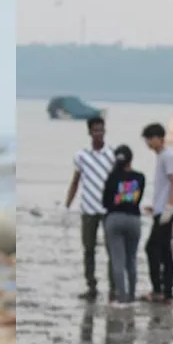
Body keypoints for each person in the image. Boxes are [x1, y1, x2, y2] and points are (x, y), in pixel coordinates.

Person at [64, 116, 117, 301]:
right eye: (95, 130)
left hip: (108, 209)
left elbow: (119, 181)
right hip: (88, 209)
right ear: (89, 132)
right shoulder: (82, 156)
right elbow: (75, 181)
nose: (99, 133)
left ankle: (114, 287)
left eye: (101, 130)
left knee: (112, 249)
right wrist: (67, 205)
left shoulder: (112, 154)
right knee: (88, 249)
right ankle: (91, 285)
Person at [141, 123, 173, 302]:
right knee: (164, 250)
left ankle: (160, 289)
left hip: (167, 211)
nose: (148, 143)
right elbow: (164, 186)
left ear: (160, 138)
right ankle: (166, 291)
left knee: (153, 248)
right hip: (161, 209)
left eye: (151, 138)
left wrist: (169, 207)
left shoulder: (168, 157)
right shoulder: (161, 158)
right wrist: (155, 206)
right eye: (147, 139)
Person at [100, 144, 145, 305]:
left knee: (117, 260)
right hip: (133, 219)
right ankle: (132, 296)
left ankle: (121, 298)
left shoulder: (112, 177)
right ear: (130, 159)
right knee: (131, 259)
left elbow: (104, 202)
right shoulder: (140, 177)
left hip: (114, 218)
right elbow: (138, 199)